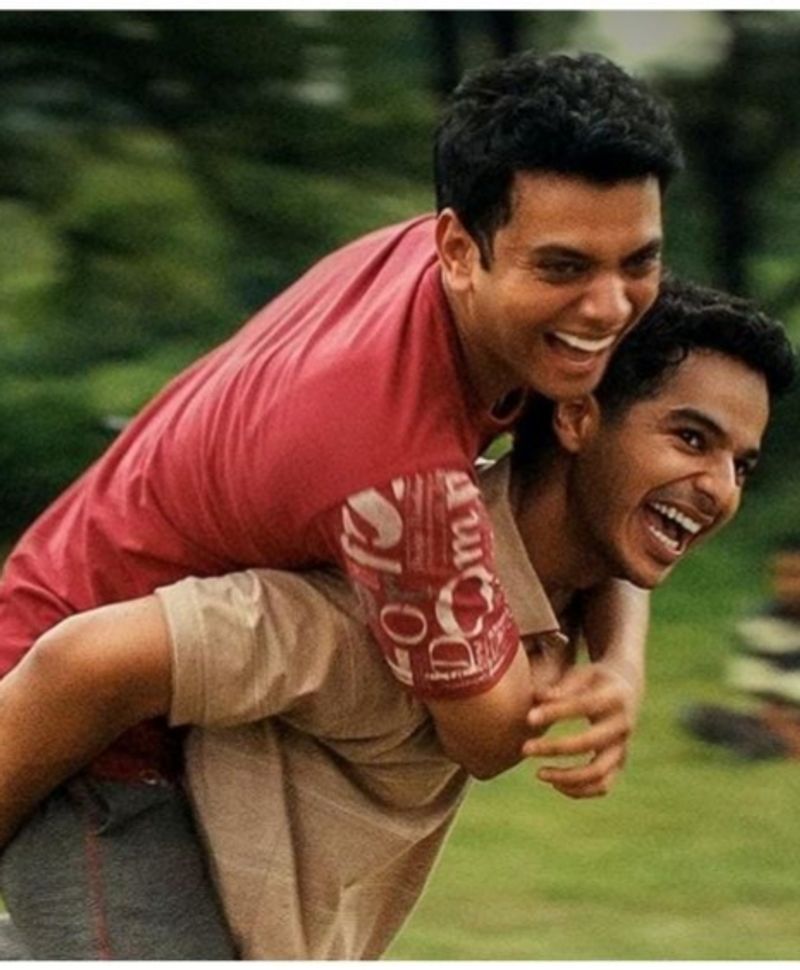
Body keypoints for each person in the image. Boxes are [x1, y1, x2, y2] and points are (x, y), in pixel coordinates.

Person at [0, 50, 679, 956]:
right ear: (457, 250)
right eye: (564, 268)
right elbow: (487, 737)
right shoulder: (398, 477)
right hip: (90, 719)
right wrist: (561, 663)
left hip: (196, 690)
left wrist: (622, 663)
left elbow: (604, 485)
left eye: (640, 261)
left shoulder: (485, 287)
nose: (609, 308)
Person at [0, 279, 794, 958]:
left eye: (741, 465)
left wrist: (622, 662)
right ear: (578, 418)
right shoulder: (406, 596)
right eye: (691, 438)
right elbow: (89, 661)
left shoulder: (553, 566)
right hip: (111, 804)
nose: (721, 489)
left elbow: (609, 537)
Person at [681, 537, 800, 759]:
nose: (788, 586)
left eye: (796, 576)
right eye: (781, 575)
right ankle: (771, 743)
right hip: (779, 717)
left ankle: (768, 745)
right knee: (696, 714)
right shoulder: (761, 623)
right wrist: (786, 727)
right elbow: (761, 690)